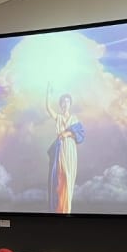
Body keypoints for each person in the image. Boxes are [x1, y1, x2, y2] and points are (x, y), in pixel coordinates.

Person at [45, 83, 85, 213]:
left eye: (67, 101)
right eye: (63, 101)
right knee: (60, 178)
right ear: (60, 104)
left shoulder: (74, 119)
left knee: (69, 178)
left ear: (70, 104)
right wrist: (48, 93)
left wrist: (67, 133)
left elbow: (80, 133)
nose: (65, 104)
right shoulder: (59, 118)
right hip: (61, 150)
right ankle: (59, 210)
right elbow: (48, 108)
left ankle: (67, 210)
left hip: (71, 150)